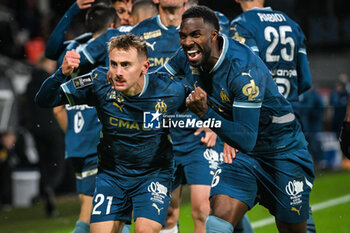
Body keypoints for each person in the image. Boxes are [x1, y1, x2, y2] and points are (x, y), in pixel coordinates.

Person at [164, 5, 314, 233]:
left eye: (195, 35)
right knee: (215, 222)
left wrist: (206, 114)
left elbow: (245, 138)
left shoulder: (243, 70)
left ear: (214, 35)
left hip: (282, 151)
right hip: (245, 156)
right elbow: (157, 82)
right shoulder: (187, 57)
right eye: (183, 36)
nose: (186, 42)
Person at [36, 33, 187, 233]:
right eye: (114, 64)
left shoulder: (168, 89)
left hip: (153, 175)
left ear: (145, 67)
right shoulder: (98, 82)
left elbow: (207, 104)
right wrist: (61, 74)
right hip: (112, 176)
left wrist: (209, 124)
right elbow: (44, 100)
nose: (118, 72)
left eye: (126, 65)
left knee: (145, 230)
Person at [229, 1, 316, 232]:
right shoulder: (292, 24)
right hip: (290, 127)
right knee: (293, 202)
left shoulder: (242, 25)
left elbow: (246, 75)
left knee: (226, 197)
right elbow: (305, 81)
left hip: (257, 127)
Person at [45, 2, 123, 233]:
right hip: (95, 140)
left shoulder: (70, 51)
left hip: (76, 143)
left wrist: (72, 9)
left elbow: (57, 108)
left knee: (94, 209)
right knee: (103, 211)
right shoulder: (103, 56)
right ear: (111, 26)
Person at [25, 56, 65, 217]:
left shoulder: (29, 83)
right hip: (53, 127)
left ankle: (44, 191)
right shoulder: (51, 81)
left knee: (43, 163)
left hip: (36, 129)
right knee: (58, 161)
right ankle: (49, 187)